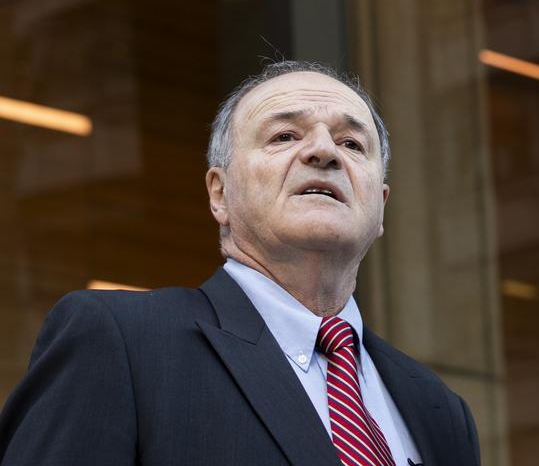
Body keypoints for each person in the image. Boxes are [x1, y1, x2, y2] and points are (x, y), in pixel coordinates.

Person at [0, 60, 480, 466]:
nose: (323, 151)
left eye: (352, 144)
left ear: (380, 204)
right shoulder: (119, 342)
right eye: (284, 135)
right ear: (219, 193)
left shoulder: (439, 410)